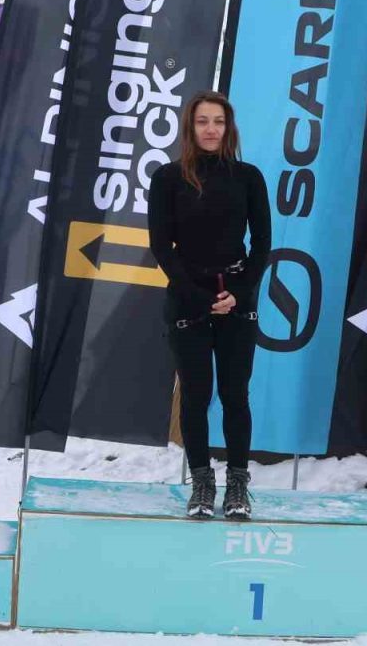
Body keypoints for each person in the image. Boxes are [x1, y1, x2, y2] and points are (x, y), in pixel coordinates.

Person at [148, 91, 271, 521]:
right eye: (203, 121)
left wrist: (239, 291)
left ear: (228, 127)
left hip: (237, 297)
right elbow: (161, 246)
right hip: (188, 298)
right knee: (195, 395)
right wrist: (198, 297)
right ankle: (202, 481)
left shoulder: (249, 177)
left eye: (218, 121)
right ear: (190, 126)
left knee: (235, 394)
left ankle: (238, 483)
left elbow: (263, 243)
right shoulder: (167, 178)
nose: (211, 129)